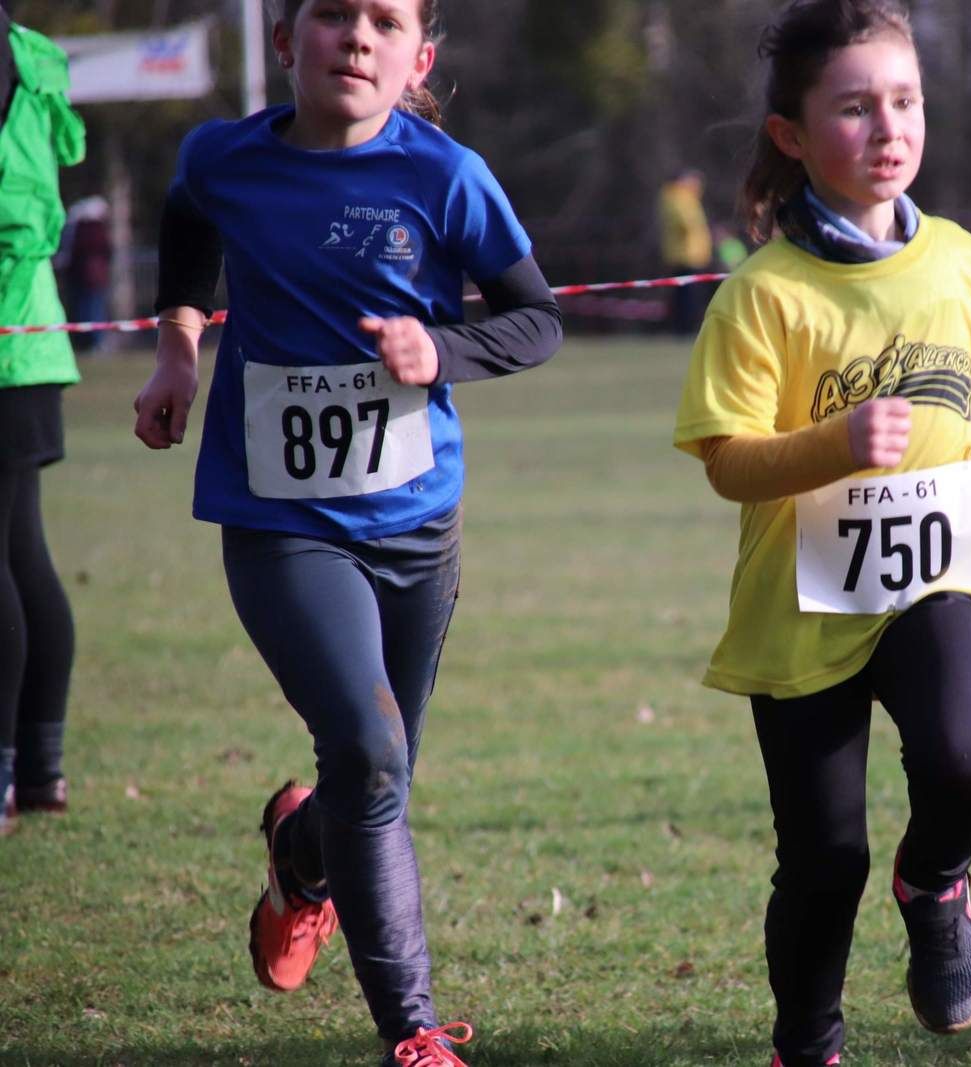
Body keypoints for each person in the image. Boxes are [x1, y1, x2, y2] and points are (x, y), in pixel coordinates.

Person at [131, 1, 563, 1063]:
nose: (354, 37)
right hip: (279, 521)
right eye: (331, 14)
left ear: (416, 57)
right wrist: (179, 348)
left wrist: (439, 353)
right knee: (368, 751)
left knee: (378, 771)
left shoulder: (446, 175)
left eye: (382, 20)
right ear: (287, 41)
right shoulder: (223, 158)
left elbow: (537, 318)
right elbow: (187, 227)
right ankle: (412, 1030)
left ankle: (301, 851)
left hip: (417, 524)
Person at [671, 3, 971, 1064]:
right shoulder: (764, 295)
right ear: (792, 136)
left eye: (904, 102)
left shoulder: (960, 262)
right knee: (821, 857)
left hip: (936, 576)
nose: (888, 127)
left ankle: (936, 882)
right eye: (853, 108)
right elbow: (728, 459)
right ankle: (806, 1042)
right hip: (800, 606)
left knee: (962, 755)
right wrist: (833, 444)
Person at [0, 4, 85, 836]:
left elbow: (18, 218)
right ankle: (41, 766)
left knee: (12, 559)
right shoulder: (30, 61)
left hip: (8, 350)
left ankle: (9, 774)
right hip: (32, 345)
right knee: (23, 553)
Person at [657, 167, 713, 335]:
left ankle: (685, 327)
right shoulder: (677, 197)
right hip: (685, 255)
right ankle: (684, 328)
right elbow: (687, 223)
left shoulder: (685, 198)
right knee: (686, 297)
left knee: (688, 295)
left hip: (692, 255)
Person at [58, 196, 113, 351]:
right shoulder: (92, 230)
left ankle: (90, 342)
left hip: (87, 278)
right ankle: (91, 342)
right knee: (91, 310)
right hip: (91, 277)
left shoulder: (79, 230)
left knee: (89, 310)